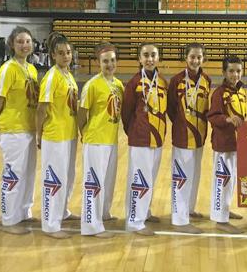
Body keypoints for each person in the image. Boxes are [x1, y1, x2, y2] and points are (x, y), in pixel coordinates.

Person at [0, 26, 39, 235]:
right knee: (13, 174)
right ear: (12, 44)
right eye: (20, 41)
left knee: (28, 173)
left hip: (29, 127)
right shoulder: (7, 69)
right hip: (13, 129)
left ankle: (24, 212)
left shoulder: (32, 68)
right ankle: (9, 219)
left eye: (28, 41)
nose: (24, 45)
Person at [36, 32, 80, 239]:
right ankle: (50, 224)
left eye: (68, 52)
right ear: (53, 55)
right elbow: (41, 108)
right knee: (53, 179)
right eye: (61, 53)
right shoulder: (52, 76)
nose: (66, 56)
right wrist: (39, 134)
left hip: (68, 134)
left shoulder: (68, 75)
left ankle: (62, 211)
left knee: (68, 176)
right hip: (54, 135)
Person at [78, 42, 124, 238]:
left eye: (112, 60)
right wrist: (85, 133)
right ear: (99, 63)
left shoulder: (118, 85)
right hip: (96, 140)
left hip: (111, 139)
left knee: (108, 181)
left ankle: (103, 213)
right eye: (105, 61)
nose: (109, 64)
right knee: (94, 183)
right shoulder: (92, 85)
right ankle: (91, 224)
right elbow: (82, 113)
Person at [122, 42, 167, 236]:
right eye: (146, 55)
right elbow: (126, 112)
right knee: (139, 180)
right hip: (140, 138)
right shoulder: (134, 82)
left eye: (153, 55)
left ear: (158, 58)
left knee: (150, 178)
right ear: (139, 59)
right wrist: (134, 131)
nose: (149, 59)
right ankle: (134, 221)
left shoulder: (163, 81)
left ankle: (145, 212)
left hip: (157, 139)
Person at [167, 43, 211, 234]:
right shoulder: (177, 80)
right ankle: (179, 218)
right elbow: (170, 108)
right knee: (181, 177)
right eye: (192, 57)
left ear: (204, 59)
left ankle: (189, 209)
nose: (195, 60)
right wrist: (181, 123)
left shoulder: (207, 80)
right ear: (186, 58)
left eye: (199, 57)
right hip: (182, 136)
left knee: (194, 175)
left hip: (200, 135)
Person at [207, 55, 246, 234]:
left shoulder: (241, 90)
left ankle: (225, 209)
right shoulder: (219, 93)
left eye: (238, 71)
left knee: (231, 181)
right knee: (222, 181)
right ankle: (220, 220)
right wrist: (228, 119)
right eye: (231, 71)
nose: (235, 74)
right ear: (224, 72)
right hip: (223, 143)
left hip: (237, 143)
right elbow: (213, 117)